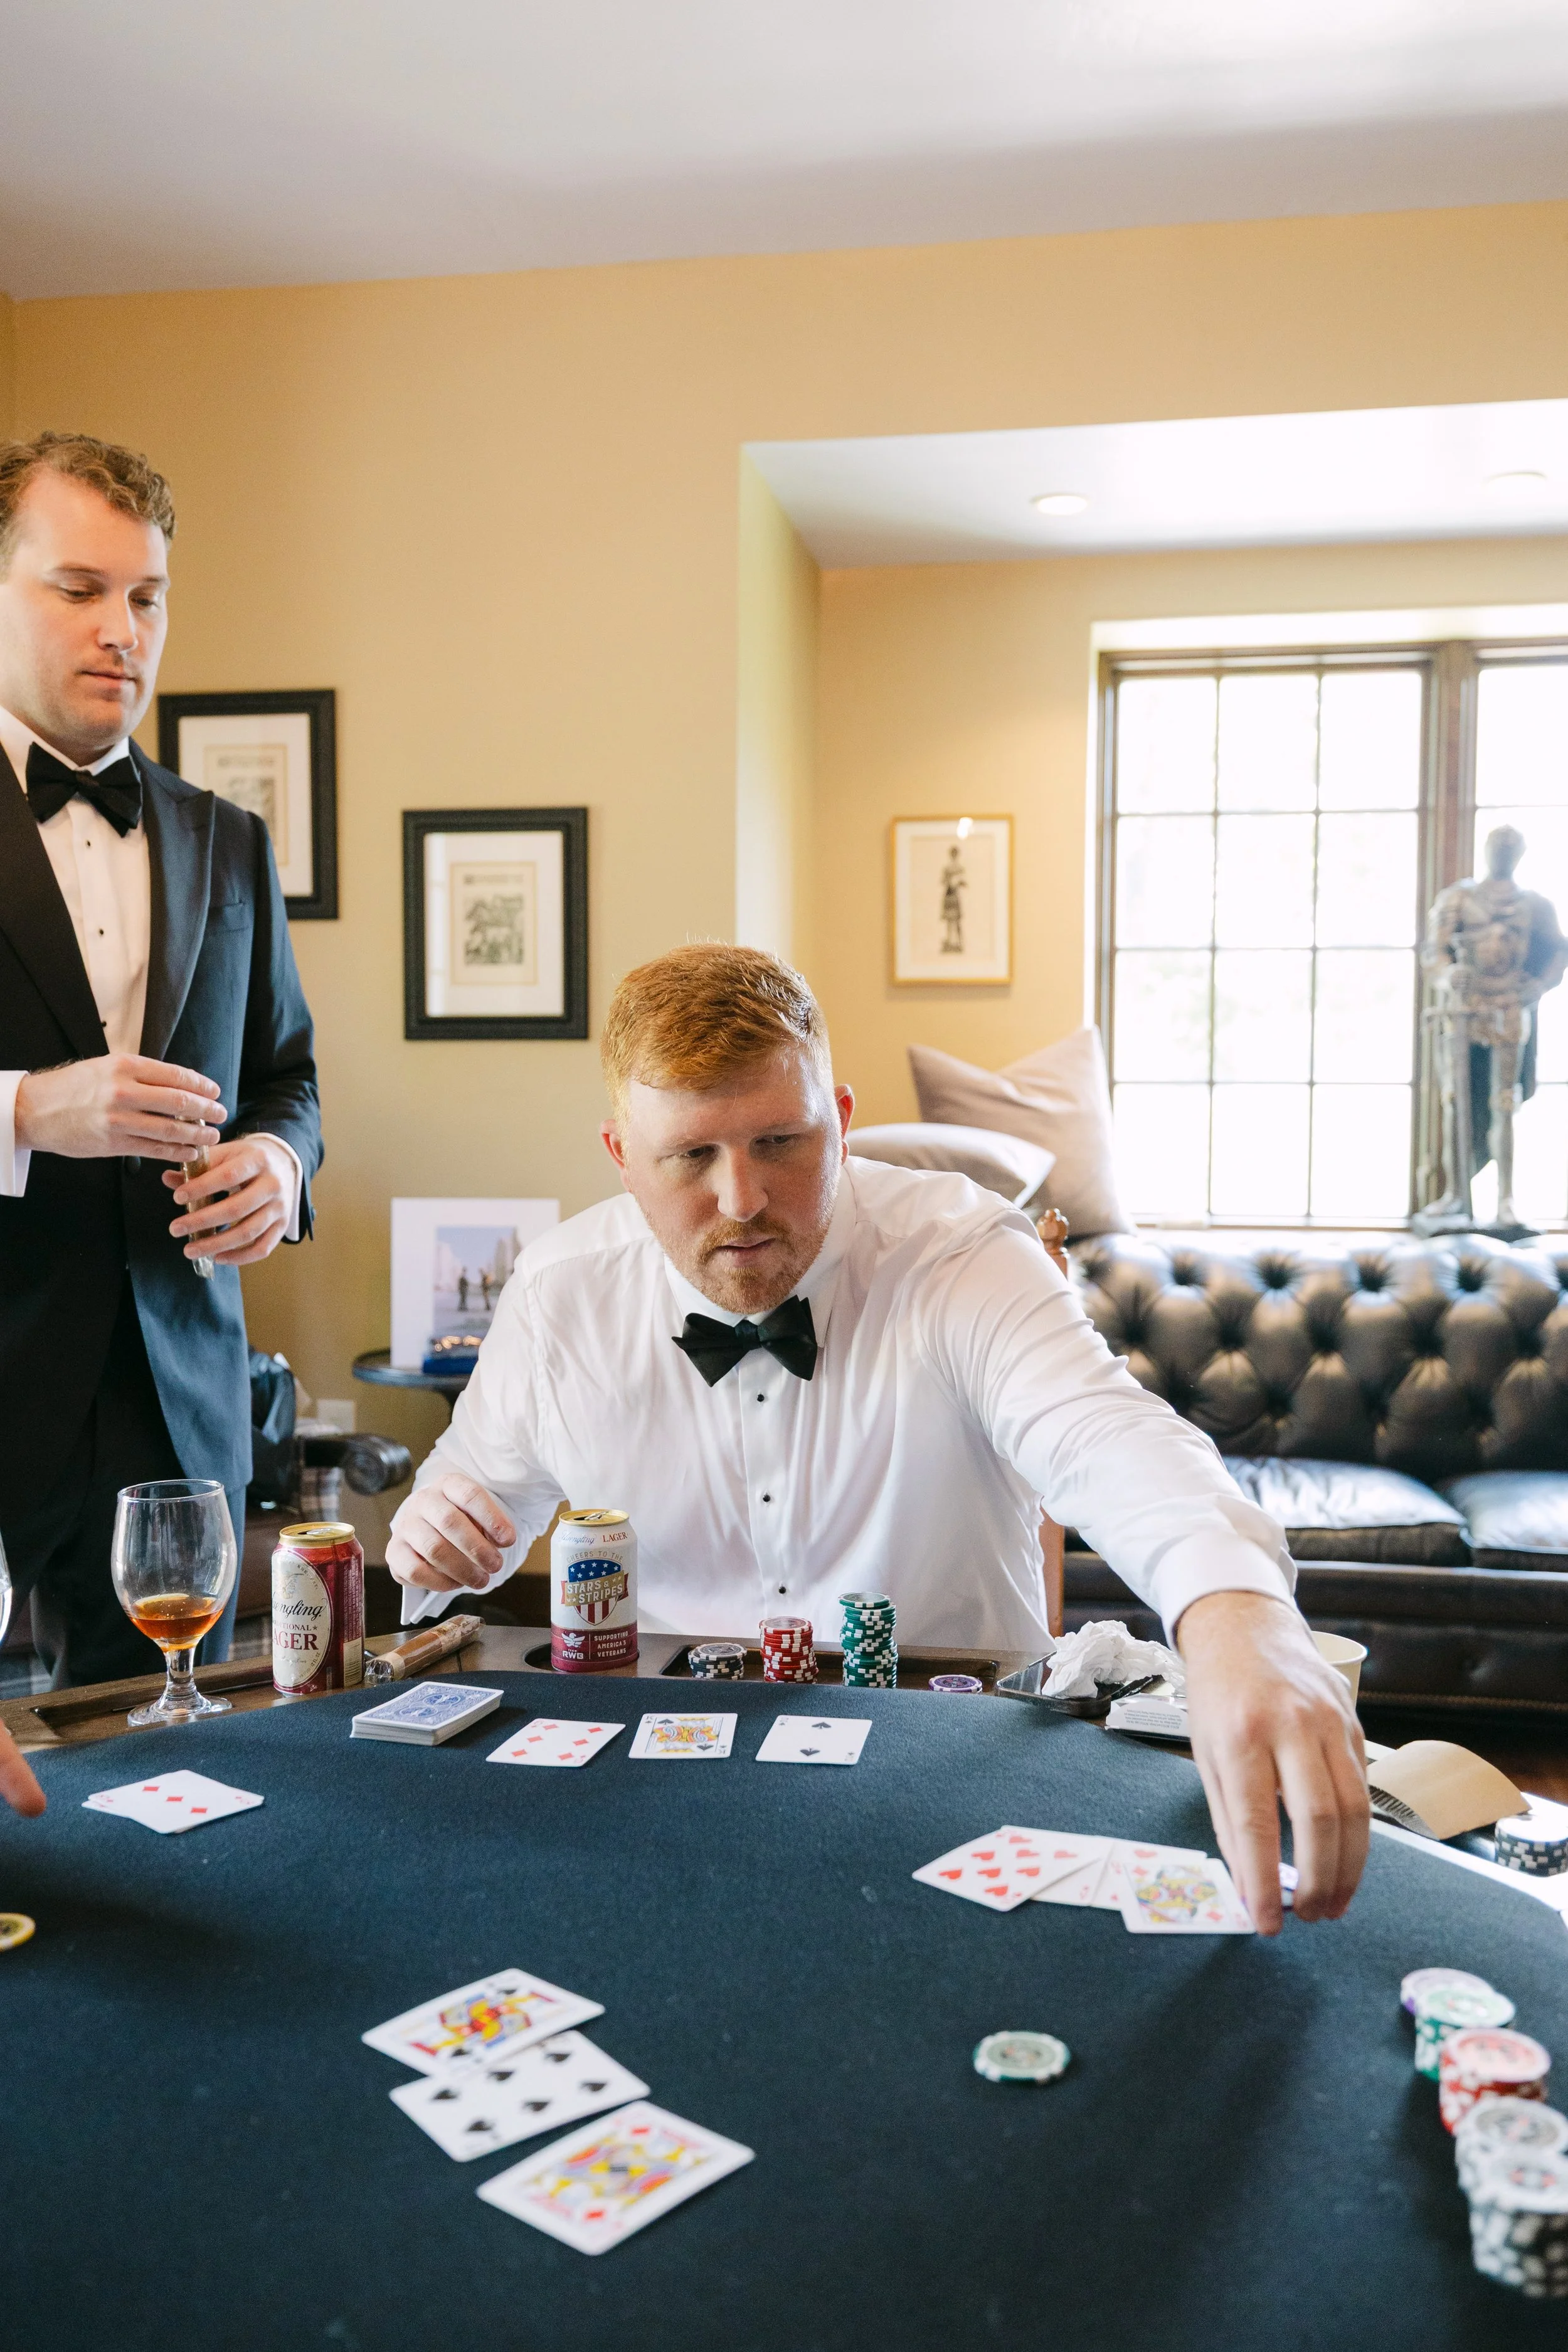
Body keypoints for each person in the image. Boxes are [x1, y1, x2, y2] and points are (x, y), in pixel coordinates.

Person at [388, 944, 1367, 1936]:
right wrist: (441, 1536)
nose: (742, 1200)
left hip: (963, 1775)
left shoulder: (962, 1251)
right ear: (619, 1157)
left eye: (781, 1141)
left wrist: (1236, 1608)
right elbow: (471, 1513)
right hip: (655, 1796)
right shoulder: (558, 1293)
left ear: (842, 1121)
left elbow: (1105, 1434)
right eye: (692, 1155)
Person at [0, 432, 322, 1687]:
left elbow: (289, 1075)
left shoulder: (230, 842)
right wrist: (27, 1111)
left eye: (145, 597)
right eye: (77, 589)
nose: (119, 629)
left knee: (165, 1759)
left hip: (174, 1381)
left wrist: (279, 1170)